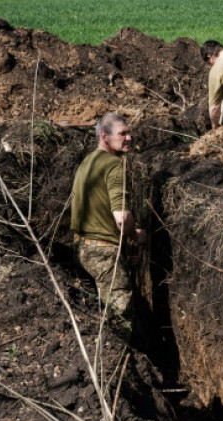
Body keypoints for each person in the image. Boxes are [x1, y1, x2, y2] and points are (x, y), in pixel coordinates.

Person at [70, 113, 146, 321]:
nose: (129, 138)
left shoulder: (88, 161)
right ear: (104, 136)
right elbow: (122, 218)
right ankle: (118, 351)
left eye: (129, 132)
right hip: (103, 254)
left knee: (99, 309)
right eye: (122, 134)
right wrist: (135, 235)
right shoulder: (113, 165)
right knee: (120, 313)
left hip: (81, 248)